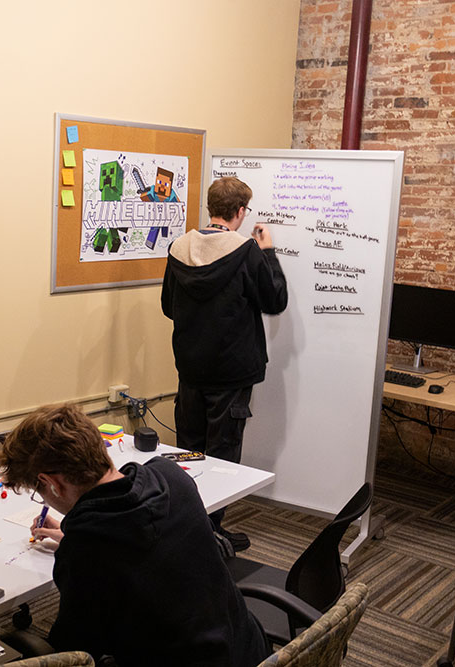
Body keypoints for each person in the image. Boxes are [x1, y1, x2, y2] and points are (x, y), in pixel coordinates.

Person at [0, 404, 269, 666]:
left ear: (52, 483)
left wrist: (77, 540)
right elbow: (143, 547)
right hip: (246, 646)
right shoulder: (170, 475)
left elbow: (76, 650)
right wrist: (75, 531)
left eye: (39, 491)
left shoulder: (85, 549)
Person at [160, 176, 288, 552]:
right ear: (240, 212)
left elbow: (169, 306)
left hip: (190, 368)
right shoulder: (246, 251)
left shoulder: (179, 247)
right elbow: (274, 300)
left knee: (190, 451)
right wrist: (268, 252)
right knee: (222, 456)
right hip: (232, 372)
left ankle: (191, 527)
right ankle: (211, 534)